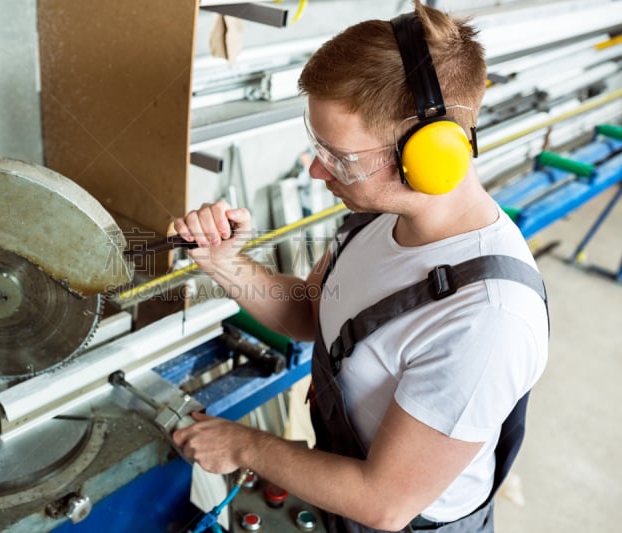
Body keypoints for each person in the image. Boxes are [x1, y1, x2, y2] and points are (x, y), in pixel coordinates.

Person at [172, 1, 549, 531]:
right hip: (341, 489)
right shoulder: (376, 219)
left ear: (430, 156)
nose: (315, 170)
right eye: (317, 146)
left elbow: (384, 503)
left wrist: (246, 444)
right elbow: (310, 314)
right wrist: (224, 263)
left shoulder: (487, 320)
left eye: (340, 157)